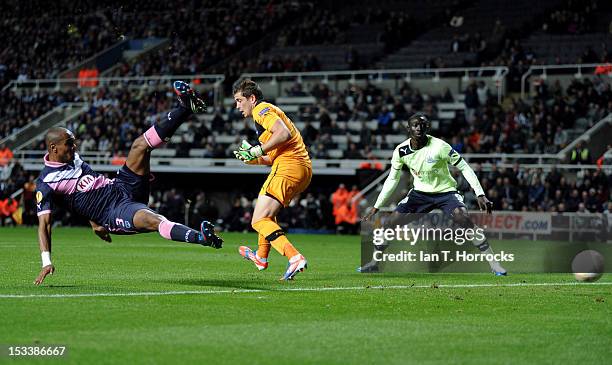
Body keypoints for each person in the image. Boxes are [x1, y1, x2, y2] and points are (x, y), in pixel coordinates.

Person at [33, 81, 223, 286]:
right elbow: (45, 225)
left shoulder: (73, 157)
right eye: (69, 144)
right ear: (53, 148)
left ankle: (185, 108)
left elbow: (83, 188)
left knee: (140, 146)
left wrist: (92, 223)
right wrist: (46, 261)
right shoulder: (46, 183)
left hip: (121, 186)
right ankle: (202, 238)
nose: (75, 146)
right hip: (114, 212)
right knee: (155, 220)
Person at [359, 113, 507, 275]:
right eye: (415, 125)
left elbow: (464, 167)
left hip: (446, 193)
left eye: (423, 125)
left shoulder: (440, 146)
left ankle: (494, 264)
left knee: (463, 219)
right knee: (389, 223)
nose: (419, 128)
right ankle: (374, 263)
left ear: (428, 127)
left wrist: (480, 193)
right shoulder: (401, 151)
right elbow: (392, 179)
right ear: (408, 128)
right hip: (419, 195)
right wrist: (377, 206)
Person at [232, 79, 312, 280]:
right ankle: (261, 256)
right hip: (299, 168)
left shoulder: (261, 110)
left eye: (239, 100)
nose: (237, 106)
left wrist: (257, 149)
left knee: (258, 219)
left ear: (252, 98)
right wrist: (252, 158)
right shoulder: (263, 118)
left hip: (289, 166)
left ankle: (294, 257)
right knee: (266, 215)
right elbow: (272, 156)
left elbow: (283, 134)